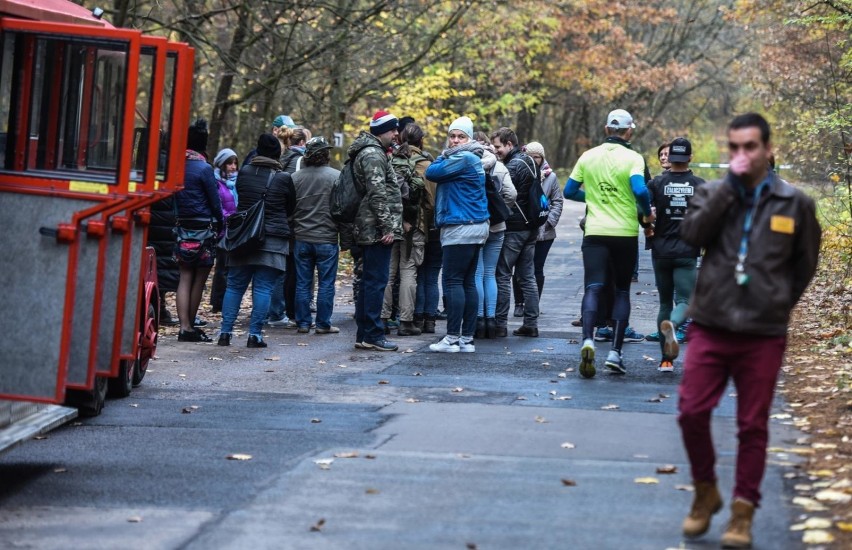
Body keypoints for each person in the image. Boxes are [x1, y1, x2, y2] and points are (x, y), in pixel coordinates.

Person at [677, 113, 820, 548]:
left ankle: (743, 511)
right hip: (711, 324)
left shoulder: (795, 203)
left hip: (762, 332)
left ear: (768, 150)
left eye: (750, 147)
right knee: (691, 412)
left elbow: (804, 266)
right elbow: (691, 236)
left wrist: (776, 305)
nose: (742, 155)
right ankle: (706, 491)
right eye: (734, 148)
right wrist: (727, 192)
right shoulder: (712, 193)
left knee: (752, 425)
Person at [563, 108, 654, 376]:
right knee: (622, 291)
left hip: (595, 232)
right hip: (624, 234)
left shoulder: (588, 156)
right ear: (629, 131)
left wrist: (591, 198)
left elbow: (569, 191)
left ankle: (588, 339)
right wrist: (646, 211)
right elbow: (639, 189)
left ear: (606, 130)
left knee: (593, 286)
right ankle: (615, 353)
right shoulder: (633, 158)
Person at [217, 133, 294, 348]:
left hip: (243, 237)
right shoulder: (283, 178)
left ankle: (225, 333)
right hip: (272, 239)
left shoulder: (244, 173)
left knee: (234, 286)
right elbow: (290, 207)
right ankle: (255, 335)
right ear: (278, 153)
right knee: (263, 289)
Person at [424, 116, 490, 352]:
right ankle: (467, 339)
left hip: (461, 226)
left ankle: (452, 337)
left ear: (469, 138)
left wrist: (443, 155)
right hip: (475, 225)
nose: (455, 140)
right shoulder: (473, 158)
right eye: (452, 136)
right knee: (467, 282)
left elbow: (431, 172)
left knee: (453, 281)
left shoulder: (462, 158)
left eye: (461, 136)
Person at [646, 137, 704, 372]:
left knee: (663, 302)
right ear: (690, 157)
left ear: (669, 158)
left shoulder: (656, 184)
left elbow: (645, 214)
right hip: (687, 250)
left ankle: (665, 361)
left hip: (661, 250)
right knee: (684, 301)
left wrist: (648, 227)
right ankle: (675, 324)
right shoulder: (700, 185)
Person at [351, 111, 403, 351]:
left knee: (370, 281)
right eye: (393, 129)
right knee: (375, 281)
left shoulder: (374, 152)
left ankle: (365, 334)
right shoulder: (373, 154)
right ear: (382, 130)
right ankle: (372, 334)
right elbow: (377, 193)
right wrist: (387, 226)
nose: (396, 134)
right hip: (375, 229)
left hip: (371, 226)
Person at [173, 119, 224, 342]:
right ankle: (190, 327)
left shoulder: (176, 166)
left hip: (182, 226)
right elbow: (215, 202)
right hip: (204, 227)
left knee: (184, 277)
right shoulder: (204, 169)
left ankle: (183, 327)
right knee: (199, 279)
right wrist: (221, 222)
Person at [491, 127, 540, 338]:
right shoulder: (529, 160)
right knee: (527, 277)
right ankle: (530, 323)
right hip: (531, 226)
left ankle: (500, 323)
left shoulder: (511, 166)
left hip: (515, 228)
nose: (496, 151)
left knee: (502, 274)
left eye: (498, 147)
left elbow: (506, 194)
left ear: (509, 144)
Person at [290, 136, 340, 334]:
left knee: (303, 282)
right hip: (326, 238)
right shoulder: (336, 176)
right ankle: (323, 324)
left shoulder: (295, 178)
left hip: (302, 237)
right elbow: (342, 207)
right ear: (326, 154)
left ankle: (302, 323)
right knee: (326, 283)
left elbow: (289, 207)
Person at [388, 123, 433, 336]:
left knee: (389, 273)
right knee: (409, 272)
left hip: (390, 224)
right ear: (420, 140)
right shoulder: (426, 164)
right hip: (415, 225)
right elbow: (431, 202)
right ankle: (406, 321)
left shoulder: (391, 160)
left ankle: (382, 318)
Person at [473, 131, 516, 339]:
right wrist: (500, 211)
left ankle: (478, 321)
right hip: (497, 227)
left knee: (477, 273)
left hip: (476, 225)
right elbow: (512, 194)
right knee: (490, 274)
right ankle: (491, 320)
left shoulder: (470, 163)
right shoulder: (499, 166)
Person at [512, 141, 563, 312]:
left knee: (537, 267)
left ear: (542, 158)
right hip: (524, 226)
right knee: (520, 267)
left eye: (537, 157)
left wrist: (549, 221)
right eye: (530, 157)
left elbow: (557, 201)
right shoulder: (520, 172)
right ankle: (519, 303)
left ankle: (533, 304)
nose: (534, 160)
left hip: (544, 231)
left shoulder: (551, 177)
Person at [210, 148, 239, 313]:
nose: (233, 167)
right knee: (222, 268)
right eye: (229, 163)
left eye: (235, 163)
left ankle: (228, 301)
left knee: (232, 268)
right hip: (223, 230)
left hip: (236, 230)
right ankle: (219, 302)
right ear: (221, 164)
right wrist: (229, 217)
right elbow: (217, 205)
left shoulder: (237, 182)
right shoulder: (215, 182)